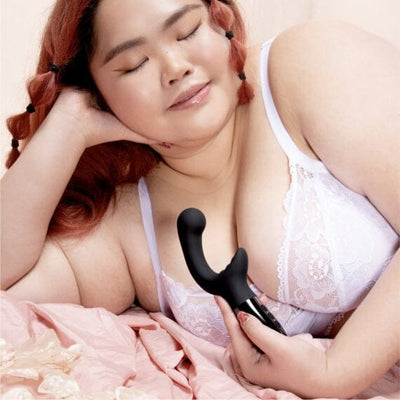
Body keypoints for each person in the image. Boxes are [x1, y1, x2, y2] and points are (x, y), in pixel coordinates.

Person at [1, 0, 399, 397]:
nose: (176, 68)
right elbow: (6, 290)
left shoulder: (308, 63)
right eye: (135, 64)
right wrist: (70, 123)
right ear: (98, 92)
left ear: (222, 22)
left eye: (188, 31)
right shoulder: (128, 224)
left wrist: (335, 371)